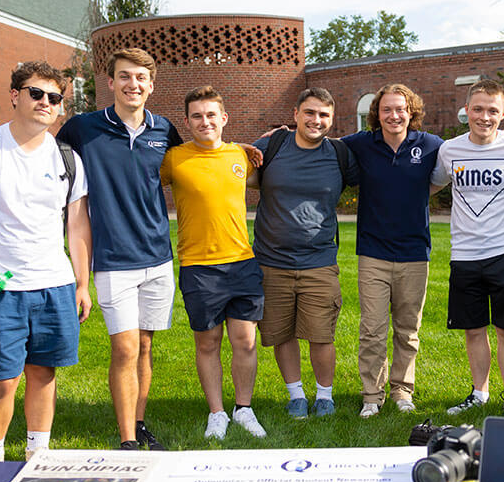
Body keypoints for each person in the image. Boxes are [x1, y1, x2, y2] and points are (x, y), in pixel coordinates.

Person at [0, 61, 92, 461]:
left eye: (55, 98)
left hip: (54, 286)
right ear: (15, 95)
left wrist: (80, 283)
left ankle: (36, 455)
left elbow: (77, 226)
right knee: (2, 380)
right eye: (36, 93)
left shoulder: (67, 158)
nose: (45, 102)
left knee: (43, 374)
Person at [56, 48, 176, 451]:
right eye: (125, 77)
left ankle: (139, 423)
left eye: (141, 78)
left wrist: (247, 149)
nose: (133, 85)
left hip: (158, 257)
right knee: (123, 347)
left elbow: (199, 158)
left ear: (151, 85)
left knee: (144, 344)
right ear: (110, 83)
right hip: (112, 259)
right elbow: (43, 154)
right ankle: (127, 439)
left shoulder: (164, 130)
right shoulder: (82, 128)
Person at [161, 85, 267, 441]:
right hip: (198, 266)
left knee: (245, 340)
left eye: (211, 115)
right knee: (207, 342)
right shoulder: (174, 158)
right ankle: (217, 413)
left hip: (242, 261)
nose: (204, 121)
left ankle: (244, 409)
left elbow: (262, 179)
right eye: (196, 116)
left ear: (224, 118)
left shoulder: (240, 154)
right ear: (187, 121)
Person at [251, 88, 358, 419]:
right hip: (271, 261)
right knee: (281, 332)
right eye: (310, 113)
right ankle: (295, 394)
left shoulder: (340, 154)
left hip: (320, 261)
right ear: (295, 114)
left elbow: (378, 174)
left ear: (332, 119)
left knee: (321, 334)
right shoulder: (273, 145)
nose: (316, 120)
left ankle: (325, 396)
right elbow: (236, 166)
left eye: (324, 115)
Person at [340, 85, 445, 418]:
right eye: (387, 109)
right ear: (377, 113)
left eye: (400, 109)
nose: (394, 115)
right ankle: (372, 395)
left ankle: (402, 391)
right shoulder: (360, 144)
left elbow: (469, 149)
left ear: (410, 111)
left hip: (415, 252)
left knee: (407, 329)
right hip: (373, 251)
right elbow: (319, 145)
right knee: (372, 329)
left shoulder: (430, 145)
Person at [432, 79, 504, 418]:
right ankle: (479, 393)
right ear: (466, 111)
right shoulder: (449, 150)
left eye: (492, 110)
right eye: (478, 109)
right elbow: (432, 185)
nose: (484, 117)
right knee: (473, 329)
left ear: (503, 113)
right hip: (464, 253)